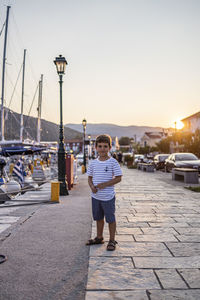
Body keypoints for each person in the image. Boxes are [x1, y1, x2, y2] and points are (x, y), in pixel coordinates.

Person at [86, 134, 122, 251]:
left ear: (109, 148)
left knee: (110, 219)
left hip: (108, 197)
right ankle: (99, 237)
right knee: (98, 218)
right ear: (96, 147)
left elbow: (118, 178)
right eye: (100, 146)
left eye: (105, 146)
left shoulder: (113, 162)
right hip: (95, 196)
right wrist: (91, 186)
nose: (102, 149)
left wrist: (105, 184)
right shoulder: (93, 163)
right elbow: (89, 178)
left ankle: (112, 240)